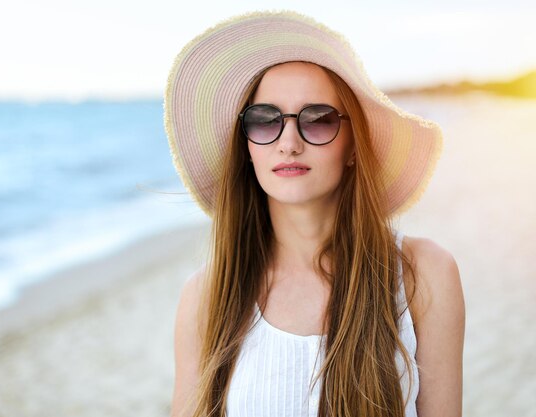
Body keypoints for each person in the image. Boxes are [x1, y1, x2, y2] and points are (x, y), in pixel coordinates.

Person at [164, 11, 465, 417]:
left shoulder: (422, 274)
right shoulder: (206, 296)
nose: (288, 142)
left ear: (355, 147)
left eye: (318, 120)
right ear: (247, 147)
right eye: (265, 120)